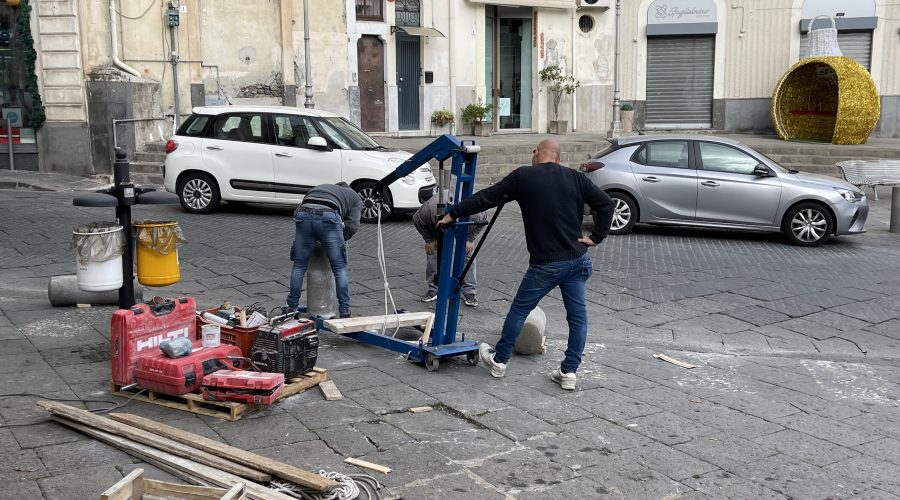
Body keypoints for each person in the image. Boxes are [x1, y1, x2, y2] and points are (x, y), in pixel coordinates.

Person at [438, 139, 614, 390]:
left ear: (536, 153)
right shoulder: (575, 177)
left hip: (546, 264)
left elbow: (487, 198)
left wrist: (453, 212)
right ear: (558, 157)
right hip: (577, 260)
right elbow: (606, 204)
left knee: (520, 310)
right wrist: (596, 237)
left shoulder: (524, 176)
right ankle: (569, 372)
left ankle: (499, 360)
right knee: (578, 319)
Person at [286, 182, 362, 318]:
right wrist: (339, 239)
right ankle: (344, 310)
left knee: (298, 266)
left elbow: (297, 213)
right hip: (328, 218)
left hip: (303, 216)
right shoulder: (355, 198)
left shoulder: (320, 188)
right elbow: (352, 226)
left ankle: (291, 308)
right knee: (339, 268)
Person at [413, 190, 487, 307]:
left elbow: (482, 223)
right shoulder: (428, 211)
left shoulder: (476, 213)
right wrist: (429, 239)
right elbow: (417, 220)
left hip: (463, 225)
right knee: (433, 251)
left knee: (467, 253)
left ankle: (469, 292)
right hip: (437, 226)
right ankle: (434, 288)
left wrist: (470, 239)